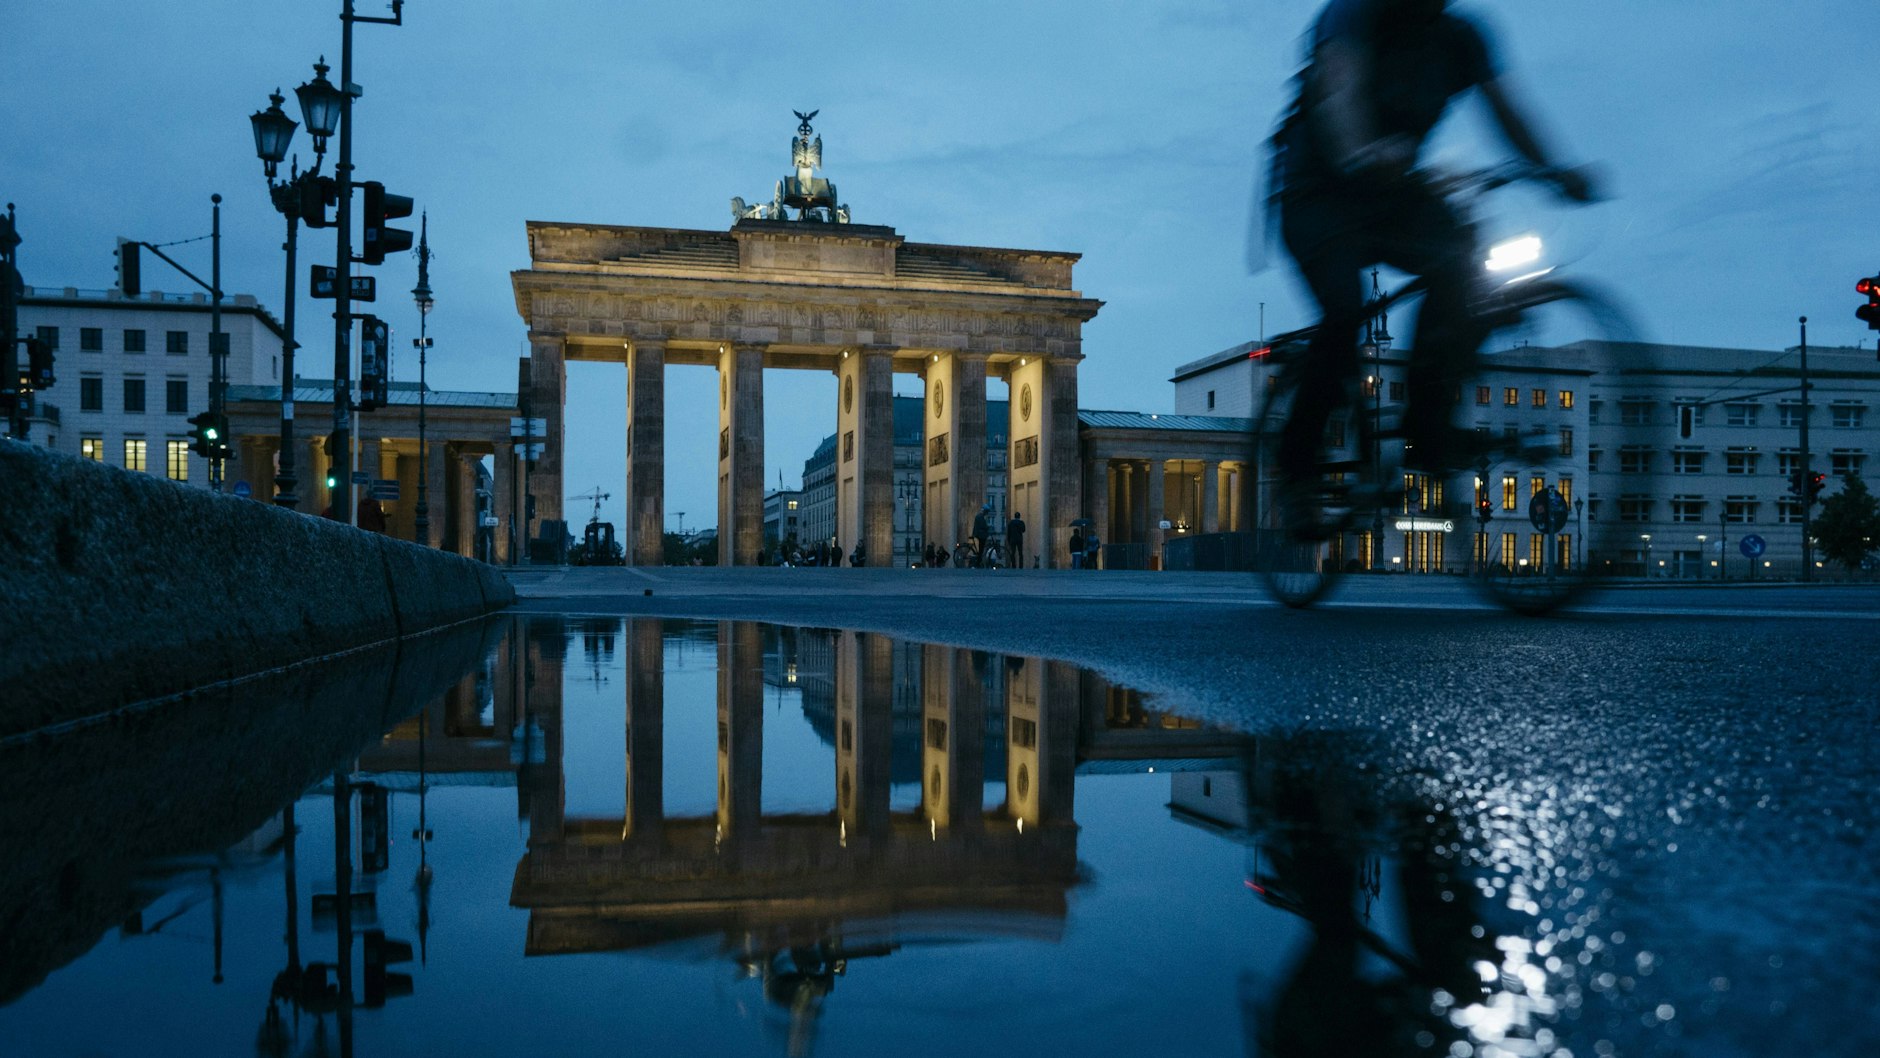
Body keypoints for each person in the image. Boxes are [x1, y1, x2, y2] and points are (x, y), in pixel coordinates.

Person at [1269, 0, 1593, 534]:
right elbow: (1338, 89)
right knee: (1344, 311)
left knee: (1462, 262)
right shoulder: (1354, 14)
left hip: (1393, 190)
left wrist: (1554, 167)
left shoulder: (1461, 35)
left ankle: (1428, 429)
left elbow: (1508, 109)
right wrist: (1361, 151)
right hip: (1315, 191)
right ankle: (1297, 470)